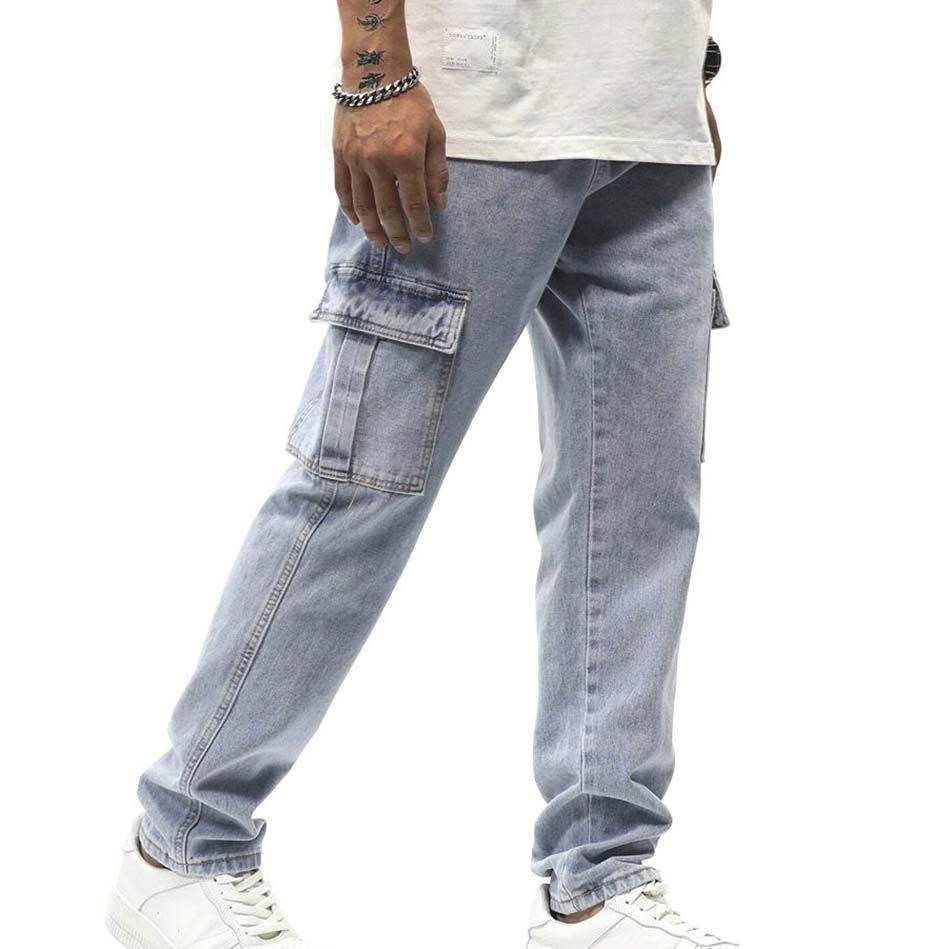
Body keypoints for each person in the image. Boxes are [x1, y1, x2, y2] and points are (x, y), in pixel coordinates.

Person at [106, 2, 738, 947]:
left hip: (652, 127)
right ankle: (180, 843)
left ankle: (598, 882)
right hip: (469, 118)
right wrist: (374, 72)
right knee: (361, 490)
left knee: (639, 512)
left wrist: (682, 61)